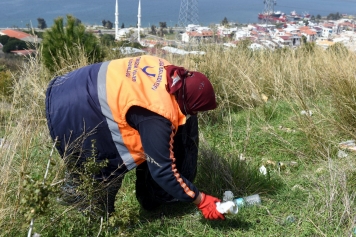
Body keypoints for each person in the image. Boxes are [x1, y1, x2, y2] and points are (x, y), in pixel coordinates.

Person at [45, 55, 225, 220]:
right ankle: (76, 201)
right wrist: (201, 200)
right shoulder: (157, 115)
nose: (195, 113)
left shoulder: (167, 70)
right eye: (196, 109)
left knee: (104, 167)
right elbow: (162, 171)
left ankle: (77, 188)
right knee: (102, 182)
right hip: (73, 114)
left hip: (69, 87)